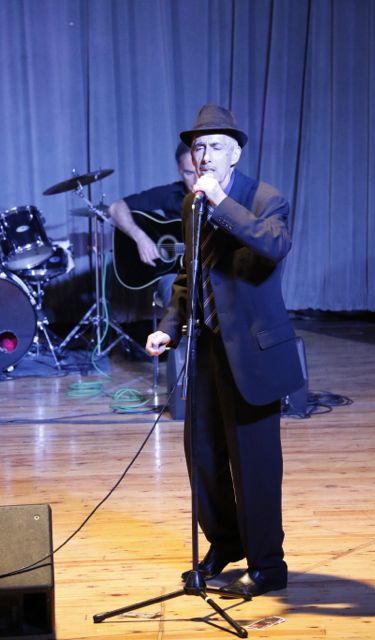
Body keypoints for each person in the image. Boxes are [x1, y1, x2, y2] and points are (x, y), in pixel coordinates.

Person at [146, 104, 304, 597]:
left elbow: (273, 246)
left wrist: (220, 201)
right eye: (199, 147)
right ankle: (226, 542)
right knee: (203, 454)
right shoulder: (191, 205)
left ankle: (268, 564)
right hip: (207, 347)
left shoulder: (265, 198)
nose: (206, 155)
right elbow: (189, 274)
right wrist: (169, 327)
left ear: (235, 153)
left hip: (253, 352)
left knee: (254, 463)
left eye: (216, 146)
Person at [108, 141, 196, 305]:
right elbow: (115, 208)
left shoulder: (225, 199)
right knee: (176, 292)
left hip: (212, 274)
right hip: (175, 276)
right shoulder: (170, 194)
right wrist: (141, 238)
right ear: (180, 170)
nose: (197, 179)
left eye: (202, 171)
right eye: (190, 173)